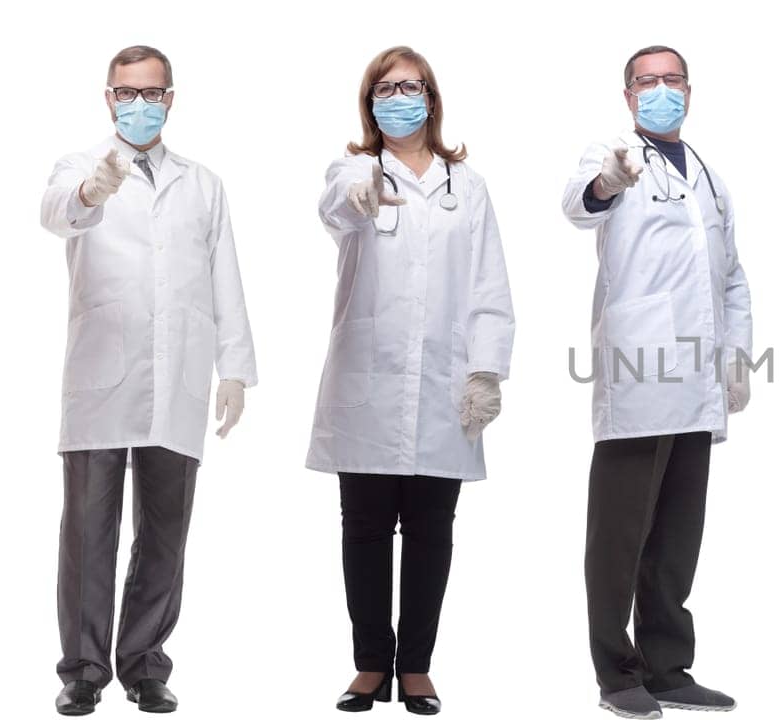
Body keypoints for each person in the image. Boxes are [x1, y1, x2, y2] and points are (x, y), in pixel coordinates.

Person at [40, 44, 258, 716]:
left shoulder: (203, 183)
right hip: (102, 377)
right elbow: (55, 214)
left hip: (180, 379)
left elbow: (225, 275)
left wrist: (236, 371)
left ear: (171, 98)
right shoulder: (79, 167)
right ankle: (82, 670)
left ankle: (144, 665)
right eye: (127, 93)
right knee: (89, 530)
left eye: (152, 93)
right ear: (108, 98)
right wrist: (91, 192)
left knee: (165, 531)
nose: (140, 105)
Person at [308, 46, 515, 716]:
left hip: (442, 386)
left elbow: (489, 285)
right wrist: (358, 195)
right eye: (386, 88)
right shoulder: (354, 170)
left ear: (433, 96)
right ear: (368, 101)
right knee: (363, 527)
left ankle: (417, 667)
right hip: (368, 382)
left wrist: (486, 370)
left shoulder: (468, 185)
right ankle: (371, 665)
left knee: (433, 529)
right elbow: (335, 209)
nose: (400, 97)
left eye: (412, 85)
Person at [561, 44, 751, 720]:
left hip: (697, 380)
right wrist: (610, 181)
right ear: (628, 96)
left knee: (677, 532)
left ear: (691, 91)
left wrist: (737, 354)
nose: (661, 89)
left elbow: (731, 274)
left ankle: (668, 667)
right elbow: (579, 205)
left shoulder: (709, 176)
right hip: (639, 374)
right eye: (648, 81)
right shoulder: (609, 155)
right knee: (619, 535)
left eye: (672, 79)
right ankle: (617, 674)